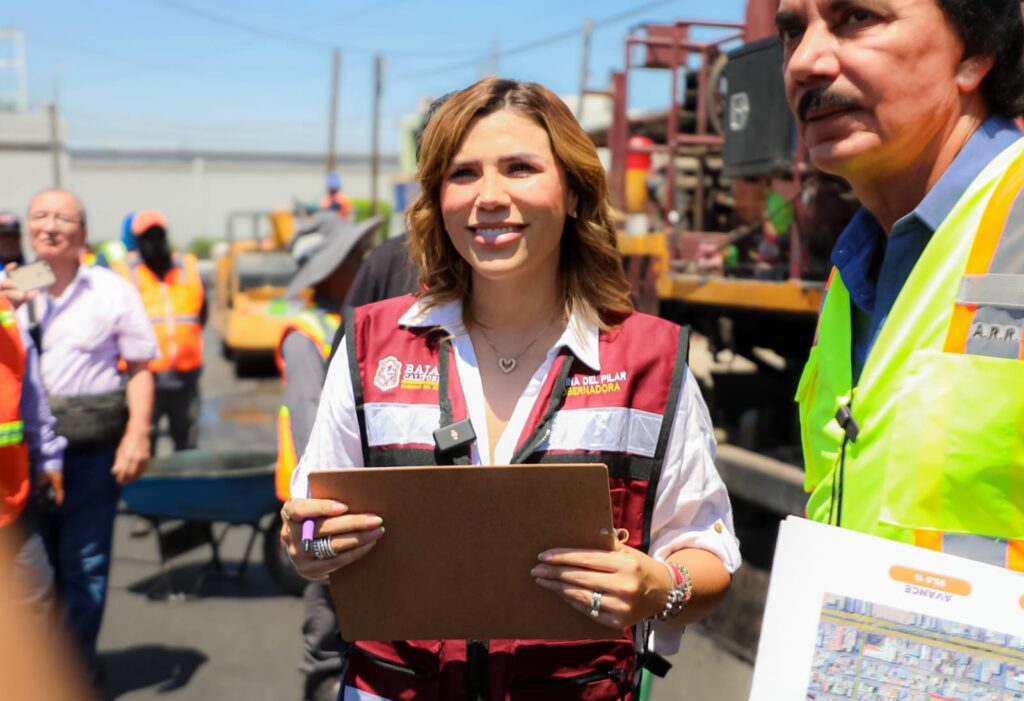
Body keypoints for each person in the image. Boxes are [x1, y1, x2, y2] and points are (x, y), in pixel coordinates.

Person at [281, 78, 740, 700]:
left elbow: (707, 556)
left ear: (575, 191)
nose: (489, 197)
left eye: (520, 168)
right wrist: (307, 543)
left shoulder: (652, 360)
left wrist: (660, 588)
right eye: (463, 174)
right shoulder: (370, 344)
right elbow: (307, 529)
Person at [781, 0, 1024, 567]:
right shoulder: (856, 266)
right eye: (792, 31)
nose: (805, 61)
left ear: (975, 53)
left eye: (857, 19)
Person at [18, 188, 157, 678]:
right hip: (22, 460)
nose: (50, 225)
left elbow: (140, 367)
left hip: (95, 452)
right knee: (34, 576)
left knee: (86, 566)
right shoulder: (11, 289)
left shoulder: (110, 289)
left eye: (63, 217)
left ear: (83, 232)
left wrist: (137, 434)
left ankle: (70, 672)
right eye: (40, 216)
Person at [276, 217, 381, 701]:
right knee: (326, 616)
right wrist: (321, 503)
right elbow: (307, 420)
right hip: (318, 505)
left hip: (345, 501)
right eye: (352, 259)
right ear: (332, 270)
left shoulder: (352, 322)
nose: (362, 266)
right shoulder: (305, 334)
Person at [0, 274, 65, 636]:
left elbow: (31, 395)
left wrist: (49, 458)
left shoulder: (6, 312)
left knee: (35, 598)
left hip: (13, 499)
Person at [113, 210, 206, 454]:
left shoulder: (187, 266)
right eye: (147, 236)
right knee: (144, 442)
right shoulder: (124, 273)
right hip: (144, 377)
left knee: (187, 444)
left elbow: (200, 314)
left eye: (158, 234)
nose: (154, 241)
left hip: (185, 376)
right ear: (137, 240)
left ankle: (187, 491)